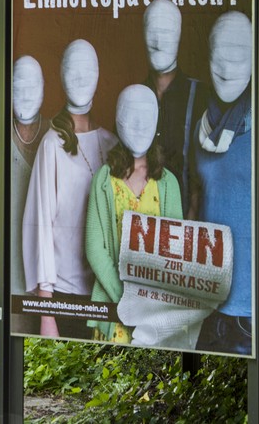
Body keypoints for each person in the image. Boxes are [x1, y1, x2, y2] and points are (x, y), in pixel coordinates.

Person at [23, 39, 117, 339]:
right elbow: (41, 227)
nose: (80, 78)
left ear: (99, 74)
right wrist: (46, 312)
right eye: (72, 70)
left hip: (105, 292)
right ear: (61, 78)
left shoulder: (112, 144)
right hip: (66, 294)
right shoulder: (53, 144)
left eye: (87, 69)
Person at [85, 85, 183, 342]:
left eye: (147, 116)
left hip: (155, 314)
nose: (140, 125)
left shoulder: (168, 183)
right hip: (113, 308)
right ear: (118, 120)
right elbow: (95, 248)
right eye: (132, 116)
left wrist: (150, 304)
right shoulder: (103, 180)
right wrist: (125, 300)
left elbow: (177, 252)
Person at [193, 11, 253, 355]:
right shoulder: (199, 121)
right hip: (208, 305)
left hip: (250, 312)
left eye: (239, 57)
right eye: (221, 56)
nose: (228, 68)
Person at [142, 0, 208, 218]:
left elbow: (206, 171)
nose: (160, 41)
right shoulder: (135, 97)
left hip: (185, 225)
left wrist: (191, 218)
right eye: (153, 31)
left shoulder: (200, 96)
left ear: (179, 35)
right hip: (141, 226)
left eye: (167, 32)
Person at [10, 56, 47, 334]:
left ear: (44, 89)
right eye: (17, 85)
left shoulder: (58, 136)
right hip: (13, 279)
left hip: (52, 280)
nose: (25, 94)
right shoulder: (3, 136)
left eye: (32, 86)